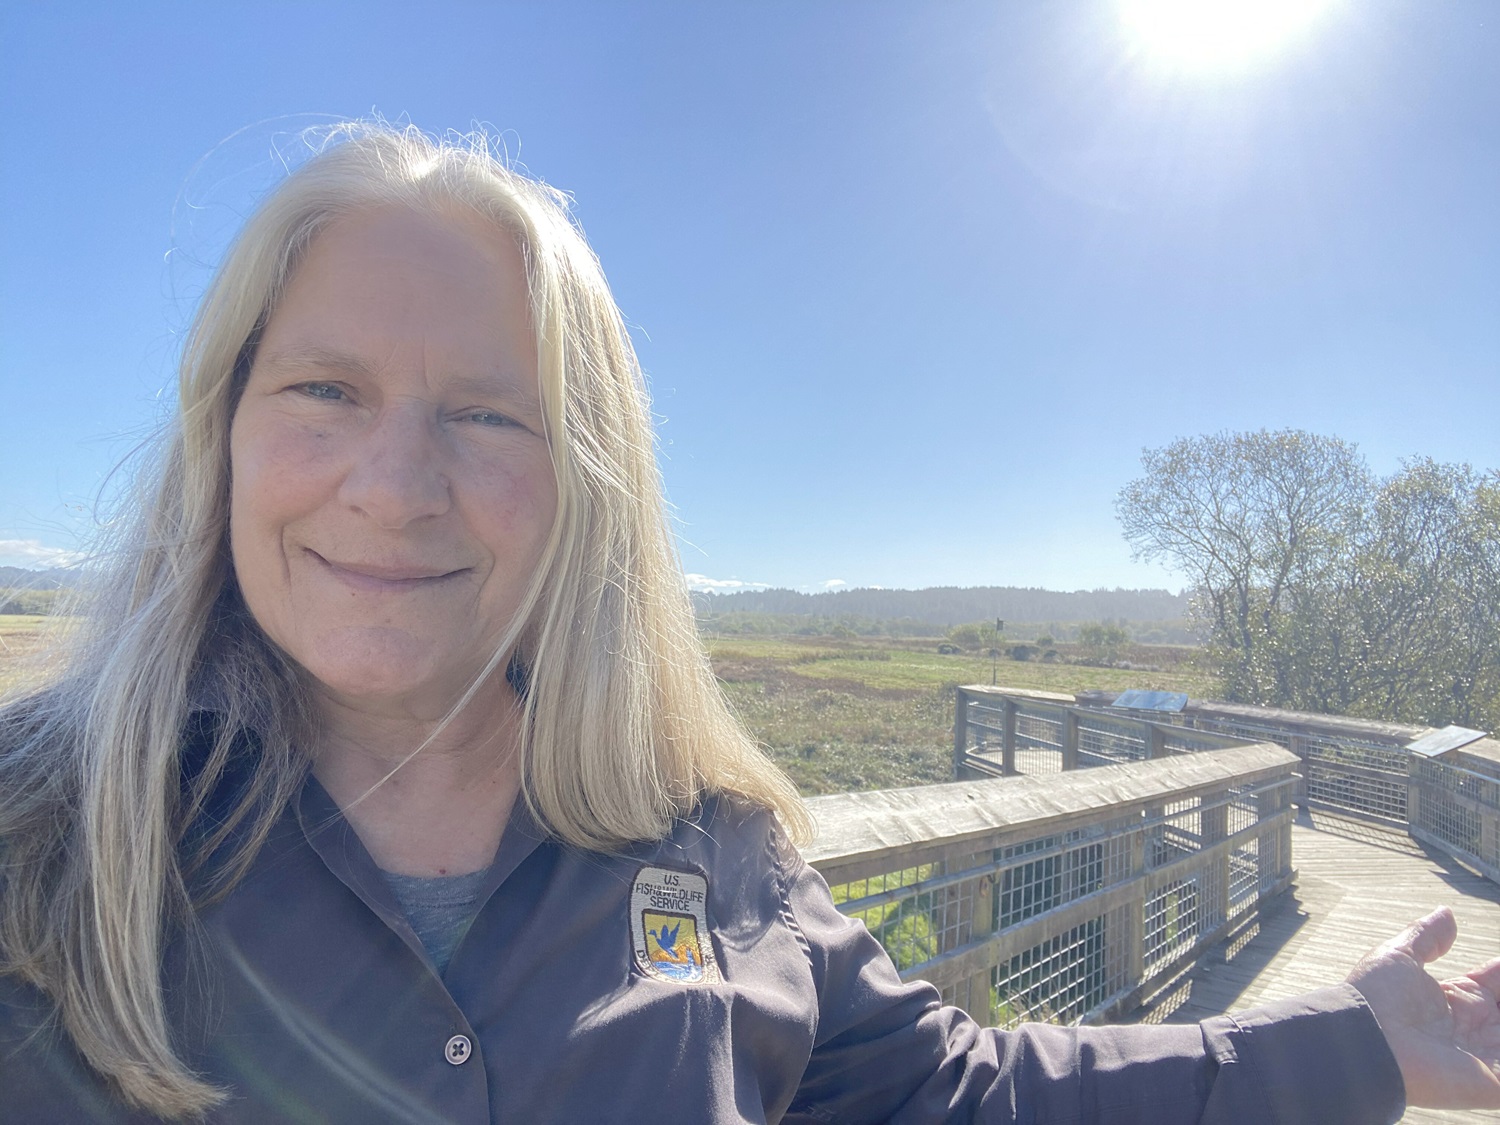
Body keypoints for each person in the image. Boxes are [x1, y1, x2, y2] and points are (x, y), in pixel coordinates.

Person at [0, 121, 1497, 1124]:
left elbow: (961, 1092)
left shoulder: (709, 853)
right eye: (326, 390)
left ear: (588, 487)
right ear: (226, 433)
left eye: (485, 412)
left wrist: (1354, 1039)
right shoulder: (43, 838)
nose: (395, 487)